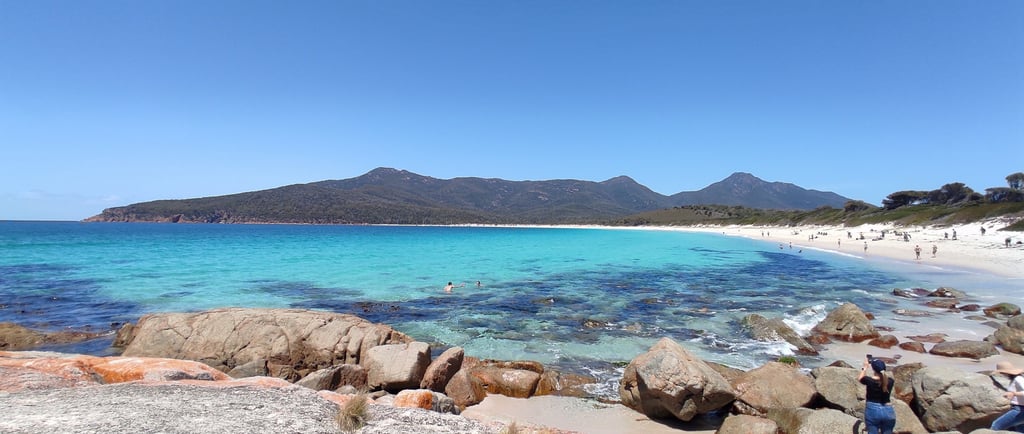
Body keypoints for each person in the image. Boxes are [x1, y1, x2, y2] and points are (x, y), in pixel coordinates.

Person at [859, 357, 896, 434]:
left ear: (873, 370)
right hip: (888, 410)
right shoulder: (890, 381)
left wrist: (864, 368)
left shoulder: (869, 380)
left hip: (872, 410)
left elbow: (860, 378)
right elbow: (883, 379)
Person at [991, 361, 1024, 431]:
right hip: (1020, 409)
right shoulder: (1015, 379)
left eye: (1001, 373)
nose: (1001, 374)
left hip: (1019, 410)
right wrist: (999, 386)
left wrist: (1014, 393)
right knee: (1019, 430)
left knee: (996, 425)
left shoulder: (1018, 379)